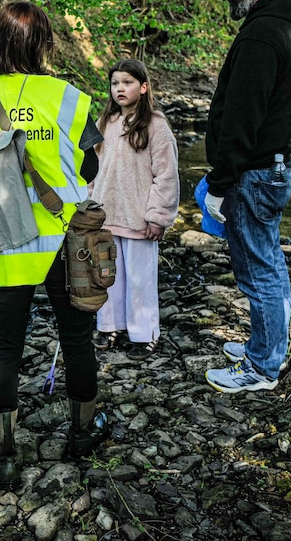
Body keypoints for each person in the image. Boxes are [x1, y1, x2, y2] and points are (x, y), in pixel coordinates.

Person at [0, 0, 111, 490]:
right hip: (65, 239)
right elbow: (90, 167)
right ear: (43, 44)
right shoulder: (69, 97)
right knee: (77, 341)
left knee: (4, 348)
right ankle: (83, 436)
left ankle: (2, 457)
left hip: (3, 241)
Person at [198, 0, 291, 393]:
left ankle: (262, 368)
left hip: (254, 172)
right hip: (269, 166)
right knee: (270, 263)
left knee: (257, 270)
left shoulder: (264, 34)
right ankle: (270, 348)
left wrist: (221, 182)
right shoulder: (284, 25)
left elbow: (243, 118)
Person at [90, 59, 180, 359]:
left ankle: (144, 334)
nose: (120, 89)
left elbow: (166, 175)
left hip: (139, 217)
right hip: (106, 215)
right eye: (115, 83)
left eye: (127, 82)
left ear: (143, 87)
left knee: (140, 278)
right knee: (107, 274)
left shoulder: (156, 125)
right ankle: (109, 325)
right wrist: (89, 204)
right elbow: (92, 169)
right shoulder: (105, 124)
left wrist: (158, 216)